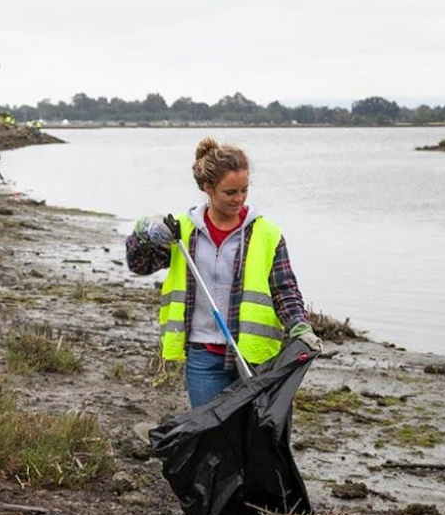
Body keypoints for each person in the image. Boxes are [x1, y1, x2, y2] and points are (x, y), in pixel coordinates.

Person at [125, 137, 321, 409]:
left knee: (255, 441)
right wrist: (143, 234)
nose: (239, 199)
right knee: (212, 441)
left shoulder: (267, 234)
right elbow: (140, 265)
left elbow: (284, 290)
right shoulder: (182, 231)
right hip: (204, 358)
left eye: (244, 190)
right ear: (208, 188)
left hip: (255, 357)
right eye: (230, 192)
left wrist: (300, 327)